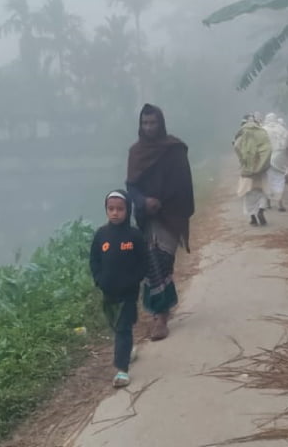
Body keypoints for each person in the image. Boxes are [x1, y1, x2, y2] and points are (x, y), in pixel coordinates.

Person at [126, 104, 195, 341]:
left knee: (164, 260)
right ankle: (160, 314)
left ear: (161, 123)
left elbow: (184, 184)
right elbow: (131, 186)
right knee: (152, 262)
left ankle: (161, 314)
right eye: (144, 123)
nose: (149, 127)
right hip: (147, 218)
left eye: (153, 123)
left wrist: (163, 202)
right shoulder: (136, 152)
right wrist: (144, 201)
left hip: (171, 215)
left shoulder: (174, 149)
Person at [89, 190, 148, 388]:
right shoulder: (101, 235)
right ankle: (127, 349)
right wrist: (99, 279)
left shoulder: (134, 235)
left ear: (128, 210)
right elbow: (94, 260)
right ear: (106, 210)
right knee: (116, 325)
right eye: (111, 209)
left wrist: (135, 279)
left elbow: (144, 261)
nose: (115, 213)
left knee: (123, 328)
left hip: (128, 292)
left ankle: (122, 370)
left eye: (120, 209)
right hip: (108, 292)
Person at [234, 114, 272, 226]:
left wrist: (242, 159)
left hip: (247, 170)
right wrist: (263, 163)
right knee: (262, 192)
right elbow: (268, 148)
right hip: (261, 169)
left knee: (248, 193)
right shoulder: (262, 132)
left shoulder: (242, 133)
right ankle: (260, 210)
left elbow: (236, 146)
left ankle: (253, 218)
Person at [261, 113, 288, 212]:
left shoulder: (263, 129)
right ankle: (280, 203)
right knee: (279, 180)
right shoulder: (282, 129)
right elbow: (286, 143)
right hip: (279, 158)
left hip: (267, 158)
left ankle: (268, 203)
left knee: (268, 180)